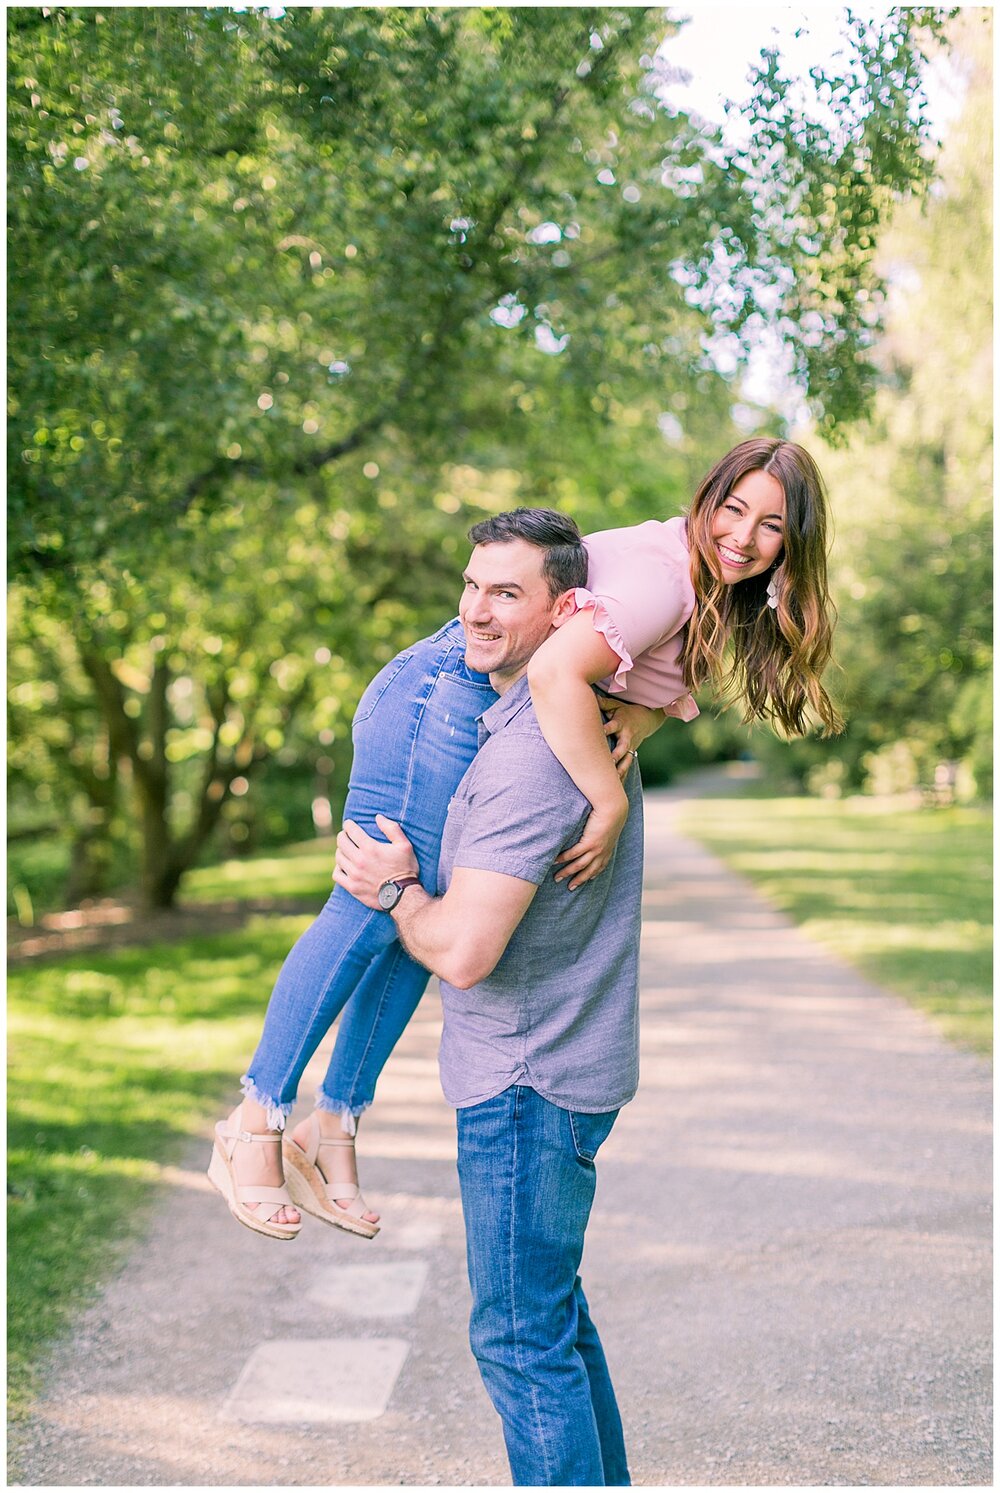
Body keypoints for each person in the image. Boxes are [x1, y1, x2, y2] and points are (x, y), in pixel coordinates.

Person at [207, 438, 842, 1239]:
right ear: (709, 498)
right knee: (371, 898)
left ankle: (331, 1124)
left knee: (417, 916)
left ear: (796, 543)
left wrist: (647, 715)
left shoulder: (711, 590)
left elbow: (650, 679)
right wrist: (605, 805)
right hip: (440, 692)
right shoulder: (663, 576)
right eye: (734, 508)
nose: (744, 536)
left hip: (482, 693)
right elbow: (552, 673)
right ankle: (254, 1118)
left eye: (771, 524)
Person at [332, 516, 637, 1485]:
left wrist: (395, 889)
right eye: (471, 584)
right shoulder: (567, 724)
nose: (474, 608)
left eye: (506, 593)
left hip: (525, 1084)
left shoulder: (528, 759)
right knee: (551, 1318)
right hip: (560, 1071)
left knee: (518, 1340)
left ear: (565, 609)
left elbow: (462, 950)